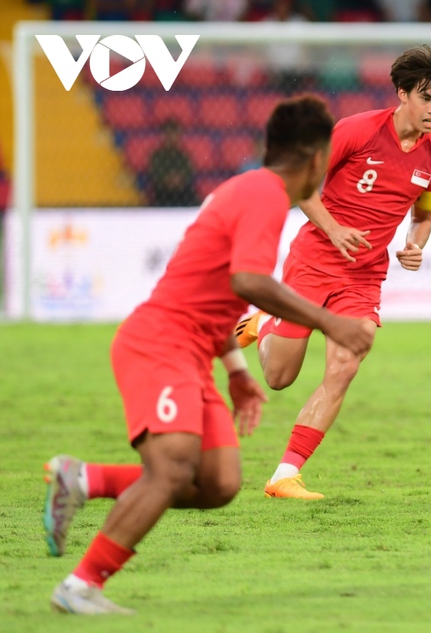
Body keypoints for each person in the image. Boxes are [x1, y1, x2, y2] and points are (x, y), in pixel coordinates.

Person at [42, 95, 374, 614]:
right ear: (315, 161)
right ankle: (82, 584)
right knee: (172, 470)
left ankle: (84, 479)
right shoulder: (265, 196)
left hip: (195, 351)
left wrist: (238, 372)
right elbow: (249, 282)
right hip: (160, 341)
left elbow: (219, 290)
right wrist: (329, 320)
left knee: (219, 481)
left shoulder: (250, 190)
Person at [234, 45, 431, 499]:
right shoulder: (355, 131)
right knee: (280, 377)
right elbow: (301, 185)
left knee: (344, 366)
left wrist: (415, 245)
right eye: (426, 98)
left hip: (364, 277)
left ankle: (285, 474)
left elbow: (423, 216)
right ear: (402, 93)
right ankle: (263, 324)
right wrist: (335, 230)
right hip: (315, 261)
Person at [146, 119, 198, 207]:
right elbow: (154, 172)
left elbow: (189, 172)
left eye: (174, 134)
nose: (172, 137)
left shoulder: (183, 155)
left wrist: (179, 180)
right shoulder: (158, 155)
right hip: (163, 190)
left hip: (181, 189)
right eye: (169, 134)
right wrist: (168, 180)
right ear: (164, 135)